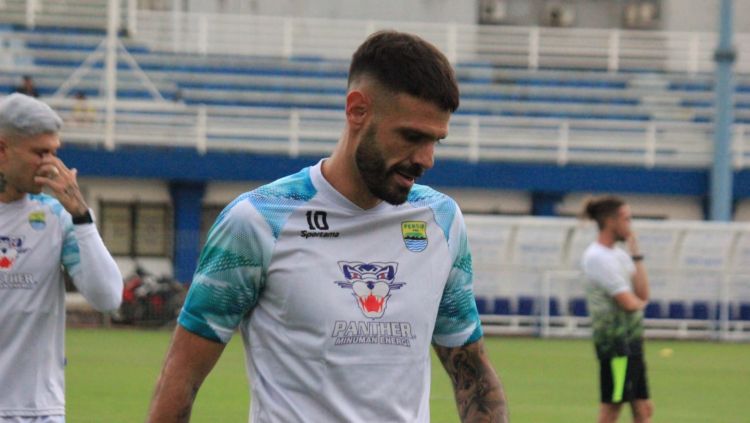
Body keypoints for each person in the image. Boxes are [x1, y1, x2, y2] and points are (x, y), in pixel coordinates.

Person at [147, 31, 508, 423]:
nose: (426, 158)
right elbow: (181, 377)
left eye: (436, 140)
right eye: (411, 136)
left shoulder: (442, 222)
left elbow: (472, 372)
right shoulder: (257, 222)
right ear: (357, 111)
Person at [0, 93, 123, 422]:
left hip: (39, 412)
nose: (52, 164)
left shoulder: (58, 217)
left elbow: (109, 298)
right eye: (41, 152)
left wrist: (82, 216)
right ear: (2, 150)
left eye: (55, 152)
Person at [581, 196, 653, 423]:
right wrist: (640, 304)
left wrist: (637, 255)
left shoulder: (620, 255)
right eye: (627, 219)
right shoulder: (597, 257)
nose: (630, 225)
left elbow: (641, 294)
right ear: (610, 221)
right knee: (612, 407)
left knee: (643, 408)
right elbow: (629, 303)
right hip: (615, 346)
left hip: (632, 343)